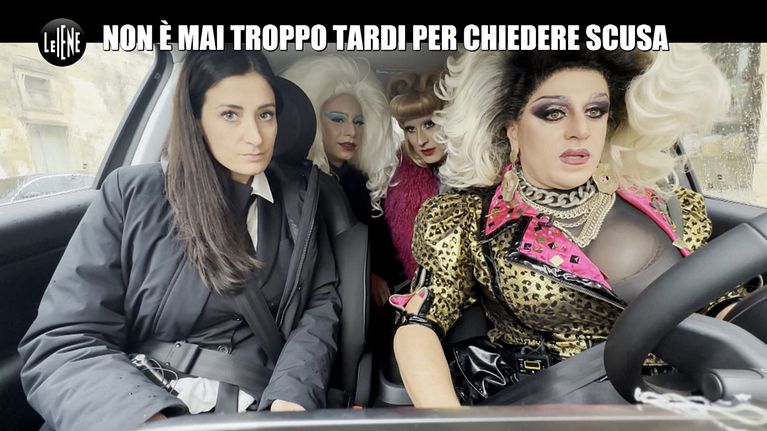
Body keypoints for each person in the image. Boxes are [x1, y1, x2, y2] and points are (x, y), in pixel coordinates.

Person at [391, 45, 747, 407]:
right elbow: (418, 325)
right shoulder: (469, 218)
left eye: (595, 111)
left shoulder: (669, 207)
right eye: (554, 113)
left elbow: (724, 308)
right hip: (550, 410)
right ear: (512, 130)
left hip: (681, 405)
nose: (580, 130)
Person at [18, 49, 341, 431]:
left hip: (253, 402)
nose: (255, 136)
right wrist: (146, 420)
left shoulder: (301, 203)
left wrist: (292, 397)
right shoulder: (133, 195)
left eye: (265, 115)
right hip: (131, 400)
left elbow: (319, 306)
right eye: (230, 114)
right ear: (196, 119)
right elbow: (65, 340)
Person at [281, 54, 404, 307]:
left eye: (359, 122)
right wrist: (363, 276)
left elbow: (383, 251)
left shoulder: (365, 184)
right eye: (337, 119)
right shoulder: (296, 184)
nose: (351, 131)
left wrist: (376, 276)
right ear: (315, 121)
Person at [384, 69, 447, 280]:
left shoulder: (482, 177)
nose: (420, 140)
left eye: (429, 124)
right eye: (410, 129)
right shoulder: (401, 183)